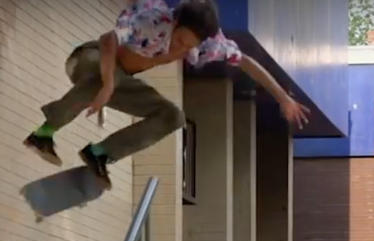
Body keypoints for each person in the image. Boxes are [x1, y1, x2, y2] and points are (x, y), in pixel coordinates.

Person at [24, 0, 311, 188]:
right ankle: (43, 133)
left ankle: (99, 154)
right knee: (106, 80)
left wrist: (283, 98)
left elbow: (247, 62)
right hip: (91, 59)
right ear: (174, 23)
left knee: (173, 116)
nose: (180, 47)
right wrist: (109, 83)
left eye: (188, 45)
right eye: (180, 39)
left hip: (122, 81)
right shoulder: (153, 19)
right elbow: (108, 40)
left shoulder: (210, 45)